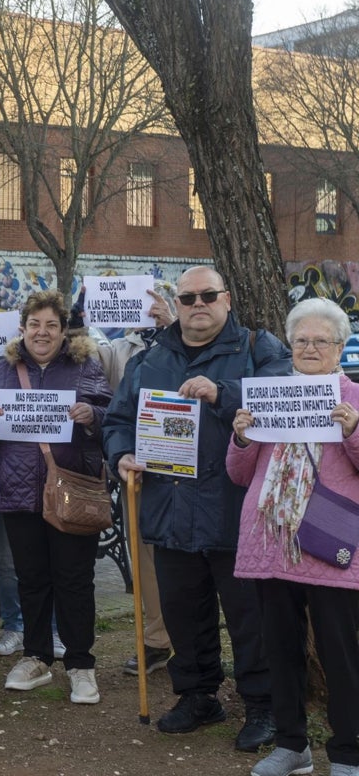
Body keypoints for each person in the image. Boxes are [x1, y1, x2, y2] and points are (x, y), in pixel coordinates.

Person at [104, 265, 290, 751]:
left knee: (252, 619)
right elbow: (119, 419)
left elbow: (283, 402)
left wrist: (223, 394)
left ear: (226, 300)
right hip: (170, 511)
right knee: (184, 614)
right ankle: (197, 695)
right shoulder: (150, 359)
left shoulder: (258, 348)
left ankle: (263, 706)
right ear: (178, 305)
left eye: (208, 295)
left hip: (238, 512)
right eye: (188, 298)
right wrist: (121, 452)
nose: (198, 305)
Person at [228, 298, 359, 776]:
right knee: (279, 650)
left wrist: (354, 430)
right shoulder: (270, 394)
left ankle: (347, 752)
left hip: (329, 543)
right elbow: (240, 474)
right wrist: (241, 437)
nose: (309, 347)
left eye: (319, 340)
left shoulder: (355, 399)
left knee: (340, 654)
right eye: (300, 340)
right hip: (271, 541)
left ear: (340, 347)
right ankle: (292, 746)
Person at [0, 290, 111, 704]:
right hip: (18, 493)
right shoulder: (1, 371)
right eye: (34, 324)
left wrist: (91, 417)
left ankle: (81, 664)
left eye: (51, 325)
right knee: (31, 580)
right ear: (23, 328)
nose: (42, 333)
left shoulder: (86, 368)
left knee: (75, 581)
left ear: (64, 331)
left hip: (70, 491)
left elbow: (111, 416)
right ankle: (36, 657)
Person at [69, 285, 175, 676]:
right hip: (142, 470)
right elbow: (88, 358)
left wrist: (172, 328)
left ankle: (195, 641)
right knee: (146, 561)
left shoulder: (190, 335)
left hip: (192, 472)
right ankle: (157, 639)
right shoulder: (120, 348)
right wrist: (79, 317)